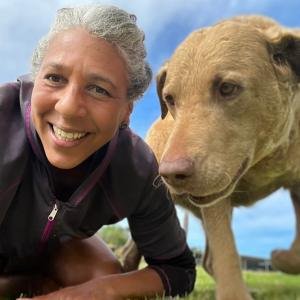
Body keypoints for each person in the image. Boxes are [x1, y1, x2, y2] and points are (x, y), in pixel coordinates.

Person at [0, 4, 196, 299]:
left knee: (97, 272)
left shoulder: (136, 168)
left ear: (126, 111)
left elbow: (179, 269)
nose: (67, 107)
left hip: (54, 254)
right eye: (54, 77)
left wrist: (94, 291)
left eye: (99, 89)